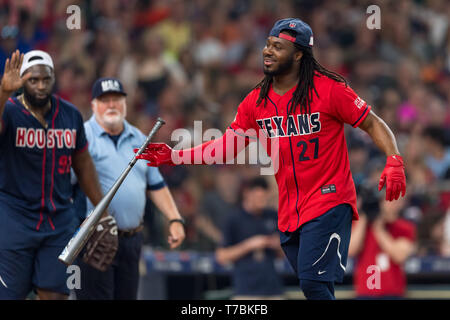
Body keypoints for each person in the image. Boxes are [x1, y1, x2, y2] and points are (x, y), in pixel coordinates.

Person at [136, 18, 407, 300]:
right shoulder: (256, 101)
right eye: (267, 44)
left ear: (299, 53)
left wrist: (394, 159)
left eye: (277, 47)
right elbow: (226, 147)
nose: (267, 51)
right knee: (315, 285)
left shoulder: (329, 89)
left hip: (330, 200)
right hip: (289, 209)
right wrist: (176, 156)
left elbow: (373, 123)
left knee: (313, 282)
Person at [0, 50, 106, 300]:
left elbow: (82, 163)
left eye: (45, 80)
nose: (39, 86)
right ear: (22, 81)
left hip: (58, 219)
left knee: (55, 295)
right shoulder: (10, 111)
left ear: (53, 79)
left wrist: (102, 213)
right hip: (14, 218)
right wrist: (3, 93)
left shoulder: (70, 115)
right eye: (33, 80)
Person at [74, 77, 185, 300]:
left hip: (131, 238)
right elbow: (63, 187)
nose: (112, 105)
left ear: (125, 104)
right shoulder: (82, 137)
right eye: (105, 100)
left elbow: (156, 184)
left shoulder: (139, 138)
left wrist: (174, 218)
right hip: (94, 238)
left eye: (116, 99)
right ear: (94, 104)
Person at [216, 177, 284, 300]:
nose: (261, 201)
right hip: (245, 291)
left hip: (273, 289)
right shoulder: (233, 219)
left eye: (264, 198)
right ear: (247, 193)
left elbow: (282, 255)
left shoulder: (272, 216)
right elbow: (222, 256)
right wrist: (249, 245)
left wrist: (278, 244)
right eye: (258, 197)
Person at [349, 195, 416, 299]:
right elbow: (350, 251)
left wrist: (379, 228)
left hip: (393, 292)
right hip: (365, 292)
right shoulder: (360, 225)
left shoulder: (404, 227)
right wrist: (363, 218)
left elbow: (399, 256)